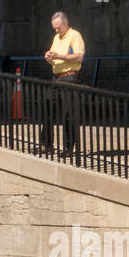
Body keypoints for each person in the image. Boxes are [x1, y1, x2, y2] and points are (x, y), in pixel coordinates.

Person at [40, 11, 85, 155]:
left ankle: (68, 148)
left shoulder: (74, 35)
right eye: (54, 28)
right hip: (56, 76)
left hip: (69, 77)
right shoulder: (56, 38)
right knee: (47, 107)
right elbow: (54, 58)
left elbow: (79, 57)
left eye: (58, 27)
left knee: (68, 113)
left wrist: (59, 56)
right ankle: (46, 144)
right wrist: (49, 57)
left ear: (66, 23)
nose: (56, 30)